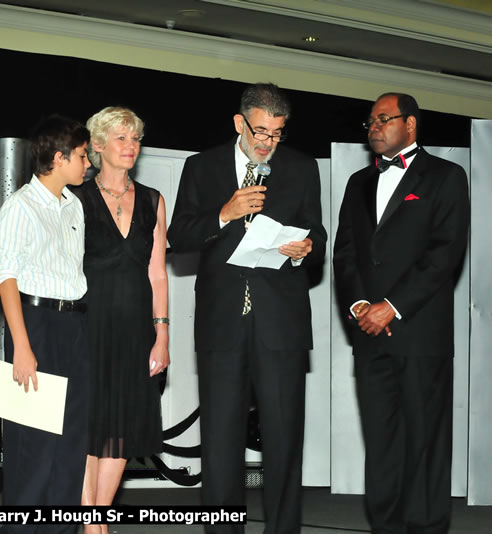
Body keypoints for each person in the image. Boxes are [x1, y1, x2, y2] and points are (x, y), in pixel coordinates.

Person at [167, 83, 326, 534]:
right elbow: (180, 235)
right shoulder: (201, 167)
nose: (267, 142)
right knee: (219, 442)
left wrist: (305, 248)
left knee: (283, 441)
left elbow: (319, 238)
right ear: (239, 123)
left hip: (282, 324)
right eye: (260, 132)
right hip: (221, 324)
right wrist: (224, 213)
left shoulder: (300, 167)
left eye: (277, 134)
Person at [333, 93, 469, 534]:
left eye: (383, 119)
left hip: (420, 333)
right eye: (370, 121)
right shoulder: (357, 182)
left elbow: (445, 253)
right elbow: (345, 255)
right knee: (382, 442)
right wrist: (358, 306)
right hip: (370, 336)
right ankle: (385, 527)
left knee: (425, 442)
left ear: (410, 125)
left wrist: (391, 307)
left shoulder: (446, 176)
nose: (373, 126)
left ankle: (427, 528)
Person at [0, 115, 91, 534]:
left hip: (74, 325)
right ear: (58, 157)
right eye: (83, 156)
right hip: (34, 324)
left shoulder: (75, 205)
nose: (89, 164)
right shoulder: (20, 206)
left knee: (70, 445)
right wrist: (22, 346)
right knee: (33, 446)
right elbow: (6, 276)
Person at [74, 107, 168, 534]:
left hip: (136, 330)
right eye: (121, 139)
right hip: (85, 327)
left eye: (136, 139)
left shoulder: (152, 200)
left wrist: (162, 334)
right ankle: (92, 523)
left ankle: (96, 521)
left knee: (121, 429)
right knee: (87, 425)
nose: (131, 146)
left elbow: (157, 273)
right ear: (97, 145)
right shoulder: (74, 197)